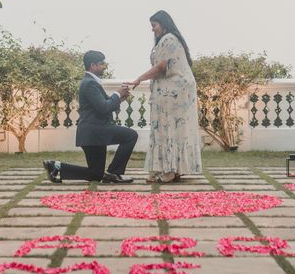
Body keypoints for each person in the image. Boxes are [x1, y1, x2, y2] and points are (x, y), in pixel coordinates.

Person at [127, 10, 202, 183]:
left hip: (174, 92)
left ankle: (169, 170)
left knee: (168, 129)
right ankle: (165, 169)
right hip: (170, 91)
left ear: (163, 24)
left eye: (154, 25)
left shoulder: (169, 39)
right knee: (166, 129)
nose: (152, 29)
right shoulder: (165, 41)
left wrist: (138, 79)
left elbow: (161, 66)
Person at [43, 50, 136, 184]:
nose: (104, 66)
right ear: (93, 65)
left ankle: (56, 166)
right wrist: (116, 94)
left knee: (96, 174)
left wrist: (120, 98)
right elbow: (104, 107)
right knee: (130, 135)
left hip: (91, 133)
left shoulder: (90, 82)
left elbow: (102, 106)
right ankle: (114, 173)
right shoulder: (90, 83)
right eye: (102, 64)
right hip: (96, 130)